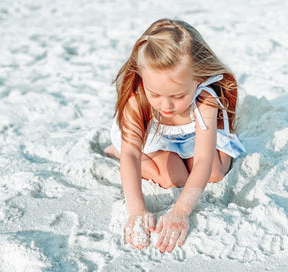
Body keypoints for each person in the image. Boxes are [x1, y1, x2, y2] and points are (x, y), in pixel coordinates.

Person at [105, 18, 245, 253]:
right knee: (174, 178)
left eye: (179, 96)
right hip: (156, 140)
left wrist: (181, 211)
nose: (166, 105)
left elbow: (203, 159)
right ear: (142, 78)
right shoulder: (137, 100)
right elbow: (131, 154)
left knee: (215, 172)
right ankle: (113, 152)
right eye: (156, 94)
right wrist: (137, 209)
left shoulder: (205, 100)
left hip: (191, 139)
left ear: (198, 78)